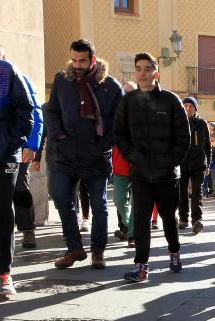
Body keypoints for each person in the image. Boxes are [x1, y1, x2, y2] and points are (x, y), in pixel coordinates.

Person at [113, 52, 190, 282]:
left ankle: (174, 252)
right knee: (141, 221)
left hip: (167, 175)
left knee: (168, 218)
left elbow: (183, 137)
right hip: (140, 173)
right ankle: (141, 266)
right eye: (139, 69)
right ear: (135, 72)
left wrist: (171, 161)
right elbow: (119, 134)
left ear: (156, 73)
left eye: (147, 69)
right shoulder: (127, 102)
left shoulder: (170, 100)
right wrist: (132, 157)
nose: (143, 73)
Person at [47, 39, 122, 270]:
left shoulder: (110, 86)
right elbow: (52, 112)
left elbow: (119, 123)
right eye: (74, 60)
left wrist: (103, 144)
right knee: (60, 197)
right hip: (66, 153)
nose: (77, 65)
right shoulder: (62, 80)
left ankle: (98, 251)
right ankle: (74, 248)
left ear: (93, 59)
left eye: (82, 60)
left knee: (99, 205)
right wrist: (58, 136)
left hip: (97, 154)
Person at [0, 21, 33, 296]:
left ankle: (5, 273)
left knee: (2, 209)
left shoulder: (6, 71)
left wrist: (12, 143)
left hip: (4, 155)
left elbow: (25, 108)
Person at [0, 43, 43, 250]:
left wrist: (31, 145)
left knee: (20, 188)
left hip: (14, 146)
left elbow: (35, 113)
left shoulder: (17, 77)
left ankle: (27, 229)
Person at [178, 96, 210, 234]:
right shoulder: (178, 122)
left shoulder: (202, 123)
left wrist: (207, 163)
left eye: (191, 106)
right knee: (182, 192)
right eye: (185, 106)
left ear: (195, 108)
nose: (188, 108)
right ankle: (183, 218)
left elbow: (207, 146)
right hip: (182, 163)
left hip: (198, 163)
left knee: (197, 191)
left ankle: (197, 219)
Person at [112, 81, 137, 248]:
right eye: (125, 92)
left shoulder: (143, 110)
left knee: (137, 201)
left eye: (130, 92)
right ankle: (130, 226)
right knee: (119, 199)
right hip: (120, 163)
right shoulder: (115, 112)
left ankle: (134, 233)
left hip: (138, 163)